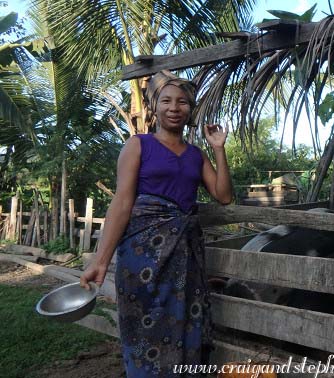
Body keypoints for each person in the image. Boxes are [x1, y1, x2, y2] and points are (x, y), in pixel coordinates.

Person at [79, 70, 233, 377]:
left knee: (184, 321)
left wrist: (218, 148)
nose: (174, 108)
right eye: (166, 101)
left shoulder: (196, 155)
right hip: (141, 257)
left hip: (185, 259)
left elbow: (224, 196)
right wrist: (101, 260)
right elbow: (122, 203)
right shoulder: (138, 146)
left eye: (182, 102)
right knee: (144, 324)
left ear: (190, 109)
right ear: (154, 107)